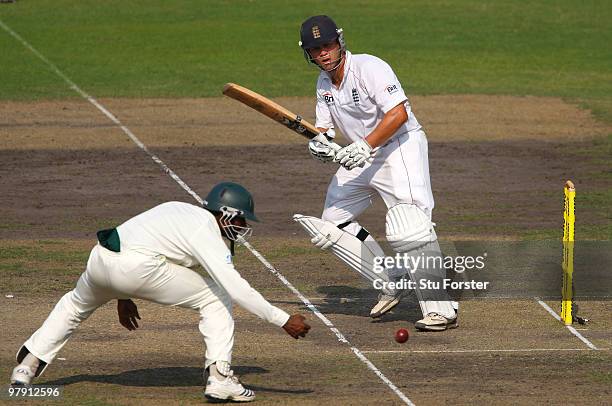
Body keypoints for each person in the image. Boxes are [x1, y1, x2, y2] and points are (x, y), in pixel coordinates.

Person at [10, 182, 311, 402]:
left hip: (101, 258)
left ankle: (26, 367)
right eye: (241, 219)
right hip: (137, 268)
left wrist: (120, 292)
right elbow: (235, 287)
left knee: (74, 305)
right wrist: (282, 319)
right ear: (226, 214)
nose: (243, 226)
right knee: (217, 297)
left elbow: (133, 239)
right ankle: (220, 379)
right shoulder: (204, 230)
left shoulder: (176, 210)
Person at [295, 15, 458, 331]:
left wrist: (364, 146)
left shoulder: (370, 67)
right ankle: (391, 277)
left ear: (340, 42)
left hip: (400, 147)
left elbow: (398, 114)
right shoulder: (324, 84)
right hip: (364, 154)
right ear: (309, 54)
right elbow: (323, 130)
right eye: (316, 49)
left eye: (327, 45)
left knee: (410, 224)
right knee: (332, 222)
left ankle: (442, 309)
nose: (324, 53)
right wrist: (320, 145)